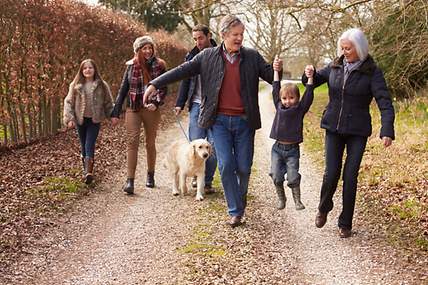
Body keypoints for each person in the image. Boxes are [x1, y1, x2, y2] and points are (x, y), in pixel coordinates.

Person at [144, 15, 282, 227]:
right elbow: (181, 71)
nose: (239, 38)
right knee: (226, 165)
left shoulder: (252, 57)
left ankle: (239, 197)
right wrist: (155, 84)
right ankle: (235, 210)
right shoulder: (207, 56)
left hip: (245, 122)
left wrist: (277, 70)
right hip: (218, 122)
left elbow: (271, 77)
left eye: (242, 35)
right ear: (224, 35)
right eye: (235, 35)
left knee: (244, 167)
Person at [302, 28, 395, 238]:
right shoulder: (335, 65)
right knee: (331, 173)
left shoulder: (372, 71)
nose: (344, 52)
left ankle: (345, 223)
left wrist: (387, 129)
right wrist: (309, 74)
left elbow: (384, 102)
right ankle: (324, 207)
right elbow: (313, 80)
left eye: (348, 48)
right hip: (333, 127)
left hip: (357, 130)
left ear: (359, 48)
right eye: (342, 48)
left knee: (350, 176)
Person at [111, 36, 167, 194]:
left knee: (150, 142)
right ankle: (130, 181)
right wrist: (116, 111)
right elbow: (123, 88)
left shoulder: (160, 65)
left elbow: (164, 88)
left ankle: (150, 175)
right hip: (133, 107)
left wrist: (155, 103)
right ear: (138, 51)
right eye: (144, 48)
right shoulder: (130, 66)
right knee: (132, 141)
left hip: (151, 109)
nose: (148, 51)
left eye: (150, 47)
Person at [175, 24, 218, 194]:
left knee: (213, 146)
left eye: (200, 38)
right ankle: (195, 175)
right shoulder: (191, 55)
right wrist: (180, 102)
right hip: (196, 104)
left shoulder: (219, 53)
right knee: (195, 145)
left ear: (209, 36)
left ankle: (206, 181)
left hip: (215, 107)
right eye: (195, 39)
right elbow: (185, 80)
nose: (198, 42)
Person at [270, 59, 314, 210]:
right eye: (284, 98)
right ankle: (281, 199)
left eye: (291, 98)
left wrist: (310, 78)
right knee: (276, 176)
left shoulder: (300, 109)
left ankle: (297, 200)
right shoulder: (278, 106)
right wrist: (276, 71)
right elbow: (276, 88)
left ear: (297, 98)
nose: (287, 101)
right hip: (277, 148)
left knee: (293, 177)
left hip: (292, 151)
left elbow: (309, 95)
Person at [63, 59, 114, 184]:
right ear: (81, 71)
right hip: (80, 120)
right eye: (85, 68)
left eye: (90, 67)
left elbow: (108, 102)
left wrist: (112, 115)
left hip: (94, 120)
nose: (88, 70)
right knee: (83, 144)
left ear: (95, 69)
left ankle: (88, 172)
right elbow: (68, 102)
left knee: (89, 143)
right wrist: (69, 118)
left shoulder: (102, 85)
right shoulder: (75, 85)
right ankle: (86, 170)